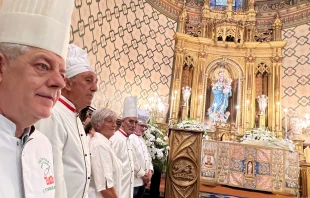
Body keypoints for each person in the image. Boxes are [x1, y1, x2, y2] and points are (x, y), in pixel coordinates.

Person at [0, 0, 74, 197]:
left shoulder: (42, 145)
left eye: (62, 73)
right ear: (1, 67)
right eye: (42, 66)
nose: (60, 82)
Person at [35, 44, 98, 198]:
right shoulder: (55, 114)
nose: (95, 88)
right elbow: (53, 173)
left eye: (96, 81)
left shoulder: (73, 115)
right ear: (68, 83)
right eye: (88, 80)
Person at [110, 96, 148, 198]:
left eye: (135, 122)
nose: (133, 125)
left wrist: (143, 174)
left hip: (128, 188)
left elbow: (133, 161)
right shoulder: (116, 139)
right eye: (130, 121)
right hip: (117, 190)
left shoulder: (128, 139)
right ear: (122, 122)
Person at [88, 108, 123, 198]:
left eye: (115, 122)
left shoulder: (105, 143)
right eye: (109, 121)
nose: (114, 125)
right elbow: (105, 187)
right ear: (98, 124)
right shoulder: (99, 145)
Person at [130, 109, 153, 198]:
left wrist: (150, 171)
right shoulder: (131, 138)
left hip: (143, 181)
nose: (143, 129)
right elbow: (133, 159)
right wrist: (143, 175)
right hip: (135, 180)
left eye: (145, 127)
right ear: (135, 124)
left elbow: (148, 157)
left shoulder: (142, 139)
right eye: (141, 126)